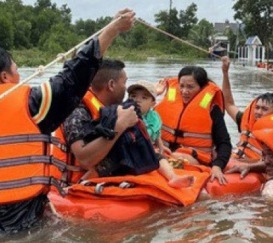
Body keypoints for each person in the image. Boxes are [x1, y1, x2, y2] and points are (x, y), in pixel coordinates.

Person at [0, 8, 136, 233]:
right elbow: (74, 76)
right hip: (22, 221)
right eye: (16, 71)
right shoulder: (31, 104)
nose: (20, 76)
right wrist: (111, 30)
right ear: (4, 77)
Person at [60, 61, 194, 189]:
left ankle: (170, 175)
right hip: (78, 179)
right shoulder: (77, 111)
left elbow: (139, 106)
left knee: (151, 153)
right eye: (124, 83)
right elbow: (85, 160)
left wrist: (155, 92)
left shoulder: (110, 106)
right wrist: (120, 125)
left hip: (111, 165)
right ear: (111, 85)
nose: (125, 89)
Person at [155, 66, 232, 185]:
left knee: (172, 157)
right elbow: (141, 118)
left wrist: (218, 166)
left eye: (190, 87)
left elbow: (224, 143)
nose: (184, 91)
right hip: (163, 150)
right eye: (181, 86)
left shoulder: (212, 109)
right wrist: (154, 94)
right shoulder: (168, 100)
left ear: (201, 88)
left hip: (193, 156)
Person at [221, 56, 273, 162]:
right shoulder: (246, 120)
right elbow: (228, 104)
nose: (258, 112)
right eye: (257, 108)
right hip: (236, 161)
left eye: (264, 109)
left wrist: (240, 162)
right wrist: (225, 73)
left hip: (254, 171)